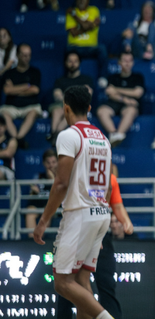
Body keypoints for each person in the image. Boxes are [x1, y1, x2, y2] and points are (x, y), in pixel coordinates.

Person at [32, 85, 114, 319]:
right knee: (80, 281)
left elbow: (60, 184)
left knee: (62, 283)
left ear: (65, 108)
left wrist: (43, 220)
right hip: (101, 213)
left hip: (80, 215)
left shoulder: (69, 135)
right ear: (89, 107)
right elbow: (108, 186)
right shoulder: (103, 138)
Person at [57, 171, 134, 319]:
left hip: (99, 235)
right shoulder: (78, 175)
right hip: (77, 233)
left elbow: (117, 205)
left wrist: (126, 221)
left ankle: (111, 316)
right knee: (69, 284)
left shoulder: (110, 179)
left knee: (101, 284)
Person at [96, 52, 145, 146]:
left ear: (133, 62)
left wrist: (116, 90)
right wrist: (124, 99)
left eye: (130, 61)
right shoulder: (113, 77)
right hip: (116, 103)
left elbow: (137, 93)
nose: (127, 63)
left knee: (131, 110)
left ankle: (120, 134)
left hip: (131, 105)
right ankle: (113, 133)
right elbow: (110, 92)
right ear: (119, 62)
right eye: (124, 61)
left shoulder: (138, 77)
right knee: (101, 111)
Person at [0, 43, 42, 145]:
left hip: (30, 106)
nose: (27, 58)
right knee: (4, 114)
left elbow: (35, 90)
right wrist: (26, 86)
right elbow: (7, 91)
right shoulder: (9, 73)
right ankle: (17, 139)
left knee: (33, 113)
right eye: (24, 55)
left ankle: (18, 138)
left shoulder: (35, 72)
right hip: (11, 106)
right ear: (18, 55)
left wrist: (14, 89)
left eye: (29, 55)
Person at [65, 0, 109, 84]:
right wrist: (90, 26)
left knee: (102, 49)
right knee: (67, 51)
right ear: (76, 0)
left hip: (91, 47)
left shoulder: (93, 10)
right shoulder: (70, 12)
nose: (81, 0)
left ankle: (103, 78)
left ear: (88, 0)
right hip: (75, 47)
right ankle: (66, 78)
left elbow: (83, 28)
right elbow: (74, 33)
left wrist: (75, 16)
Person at [49, 52, 94, 143]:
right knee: (57, 110)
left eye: (75, 61)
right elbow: (57, 95)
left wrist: (69, 99)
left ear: (79, 62)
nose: (73, 64)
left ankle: (55, 135)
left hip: (78, 107)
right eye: (70, 61)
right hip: (62, 105)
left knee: (71, 110)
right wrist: (75, 97)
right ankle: (54, 133)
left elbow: (88, 95)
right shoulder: (60, 80)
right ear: (65, 63)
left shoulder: (86, 79)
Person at [26, 149, 57, 236]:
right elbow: (31, 194)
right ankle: (31, 241)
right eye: (48, 163)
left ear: (58, 163)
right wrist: (33, 191)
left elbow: (60, 194)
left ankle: (39, 239)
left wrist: (52, 179)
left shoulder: (61, 178)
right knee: (30, 211)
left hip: (52, 204)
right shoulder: (38, 176)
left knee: (47, 211)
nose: (51, 165)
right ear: (44, 163)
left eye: (53, 162)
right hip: (39, 202)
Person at [0, 116, 18, 182]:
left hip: (6, 169)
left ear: (5, 127)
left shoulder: (11, 140)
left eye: (1, 125)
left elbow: (8, 153)